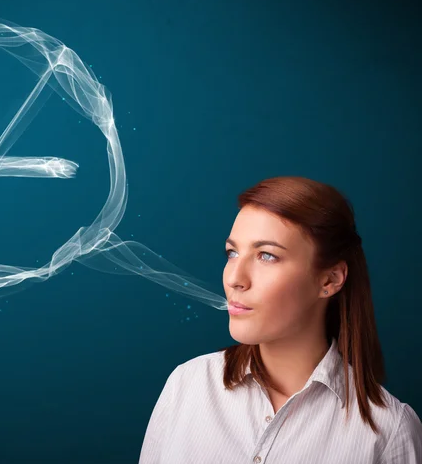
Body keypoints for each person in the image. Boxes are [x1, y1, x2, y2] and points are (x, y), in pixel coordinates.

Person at [138, 176, 422, 464]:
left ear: (330, 279)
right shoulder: (187, 386)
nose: (235, 279)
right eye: (232, 253)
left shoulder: (388, 432)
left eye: (266, 256)